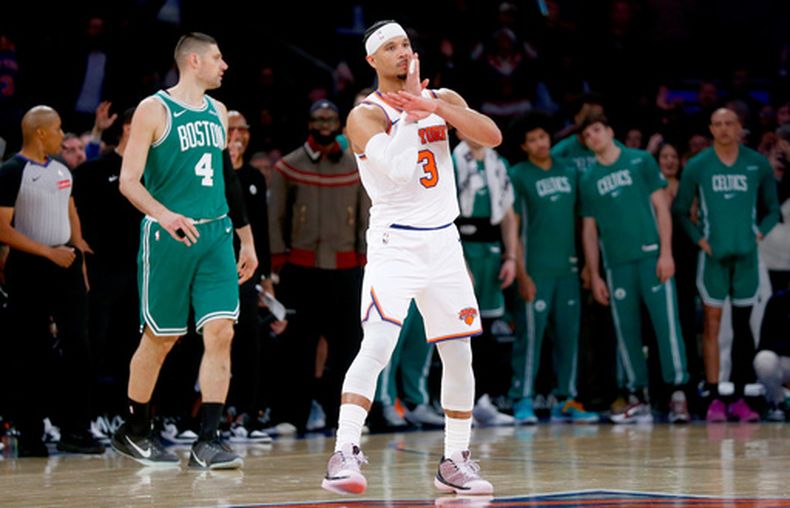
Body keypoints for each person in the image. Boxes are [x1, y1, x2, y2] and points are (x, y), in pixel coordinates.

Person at [321, 20, 501, 496]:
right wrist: (416, 117)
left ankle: (455, 460)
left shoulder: (442, 97)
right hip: (395, 243)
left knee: (459, 354)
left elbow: (492, 136)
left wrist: (435, 105)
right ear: (372, 60)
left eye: (406, 44)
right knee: (377, 344)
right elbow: (398, 170)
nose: (403, 52)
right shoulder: (366, 115)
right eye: (391, 47)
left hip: (444, 242)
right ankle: (344, 452)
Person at [110, 33, 258, 469]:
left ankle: (208, 440)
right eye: (217, 57)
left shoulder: (217, 112)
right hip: (170, 237)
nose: (224, 64)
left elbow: (228, 180)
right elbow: (128, 181)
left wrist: (246, 238)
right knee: (162, 338)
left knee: (222, 332)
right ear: (193, 61)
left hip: (215, 235)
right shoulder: (153, 109)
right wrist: (164, 215)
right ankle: (134, 429)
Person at [0, 105, 104, 456]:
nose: (63, 135)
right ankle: (31, 434)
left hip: (66, 264)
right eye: (58, 129)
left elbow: (69, 209)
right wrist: (47, 252)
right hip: (30, 268)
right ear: (40, 133)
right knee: (32, 351)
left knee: (79, 346)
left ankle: (77, 428)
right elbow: (2, 229)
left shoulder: (62, 169)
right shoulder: (11, 171)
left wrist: (78, 251)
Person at [579, 111, 690, 424]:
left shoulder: (640, 160)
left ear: (610, 130)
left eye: (597, 130)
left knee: (667, 325)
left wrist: (666, 252)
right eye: (588, 135)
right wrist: (596, 273)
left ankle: (678, 392)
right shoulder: (588, 179)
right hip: (616, 264)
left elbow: (662, 207)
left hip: (651, 256)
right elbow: (589, 230)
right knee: (626, 331)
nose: (593, 138)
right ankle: (636, 395)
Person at [673, 108, 781, 422]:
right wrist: (699, 239)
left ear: (739, 128)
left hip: (746, 256)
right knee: (712, 324)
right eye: (717, 124)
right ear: (710, 129)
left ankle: (742, 394)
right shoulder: (697, 165)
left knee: (745, 327)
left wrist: (759, 233)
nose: (723, 129)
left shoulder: (757, 164)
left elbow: (773, 209)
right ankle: (715, 394)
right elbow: (681, 210)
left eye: (729, 123)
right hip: (712, 259)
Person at [267, 99, 369, 432]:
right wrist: (278, 265)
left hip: (347, 269)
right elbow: (276, 219)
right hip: (301, 270)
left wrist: (365, 261)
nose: (324, 124)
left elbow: (366, 217)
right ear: (308, 123)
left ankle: (346, 418)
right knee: (297, 347)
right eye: (318, 118)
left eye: (330, 118)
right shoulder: (288, 166)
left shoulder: (356, 166)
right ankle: (288, 415)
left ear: (340, 124)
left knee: (348, 348)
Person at [507, 112, 599, 424]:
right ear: (524, 146)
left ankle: (567, 398)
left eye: (543, 137)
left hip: (569, 269)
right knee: (530, 337)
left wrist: (588, 266)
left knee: (569, 336)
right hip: (536, 270)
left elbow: (582, 222)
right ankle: (523, 398)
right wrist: (522, 272)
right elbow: (514, 229)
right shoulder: (518, 175)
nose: (539, 143)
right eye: (532, 140)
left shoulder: (569, 170)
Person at [72, 107, 142, 431]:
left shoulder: (154, 170)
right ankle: (86, 418)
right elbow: (76, 219)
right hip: (102, 271)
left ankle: (126, 418)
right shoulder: (93, 171)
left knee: (132, 348)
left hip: (142, 271)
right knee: (96, 345)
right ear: (129, 127)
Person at [225, 109, 285, 442]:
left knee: (250, 342)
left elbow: (261, 231)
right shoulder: (213, 173)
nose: (238, 135)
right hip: (214, 269)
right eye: (231, 129)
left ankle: (247, 416)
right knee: (215, 343)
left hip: (247, 272)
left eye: (243, 129)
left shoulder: (254, 177)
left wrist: (266, 279)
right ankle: (213, 416)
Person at [452, 133, 518, 427]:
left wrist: (512, 257)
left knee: (488, 331)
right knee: (460, 332)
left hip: (492, 254)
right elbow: (445, 217)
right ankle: (457, 404)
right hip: (461, 250)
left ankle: (483, 401)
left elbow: (509, 215)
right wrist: (459, 262)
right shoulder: (450, 161)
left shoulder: (497, 163)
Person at [753, 286, 790, 422]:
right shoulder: (777, 301)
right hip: (782, 360)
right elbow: (766, 343)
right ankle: (777, 404)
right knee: (764, 360)